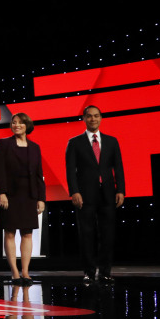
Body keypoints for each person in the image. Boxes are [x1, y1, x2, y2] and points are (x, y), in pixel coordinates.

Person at [65, 105, 125, 285]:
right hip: (85, 195)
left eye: (96, 116)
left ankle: (106, 272)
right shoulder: (74, 142)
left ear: (101, 118)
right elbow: (70, 171)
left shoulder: (112, 141)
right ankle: (89, 272)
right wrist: (74, 191)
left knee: (108, 234)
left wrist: (121, 189)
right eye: (89, 116)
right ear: (84, 118)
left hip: (108, 194)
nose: (93, 119)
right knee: (87, 234)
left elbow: (119, 168)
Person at [0, 113, 46, 285]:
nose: (16, 125)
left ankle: (25, 271)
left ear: (27, 126)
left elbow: (39, 174)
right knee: (9, 232)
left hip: (29, 194)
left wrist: (41, 198)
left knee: (27, 233)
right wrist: (1, 192)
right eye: (14, 122)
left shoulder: (36, 147)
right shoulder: (4, 144)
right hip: (9, 194)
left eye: (20, 123)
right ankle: (15, 272)